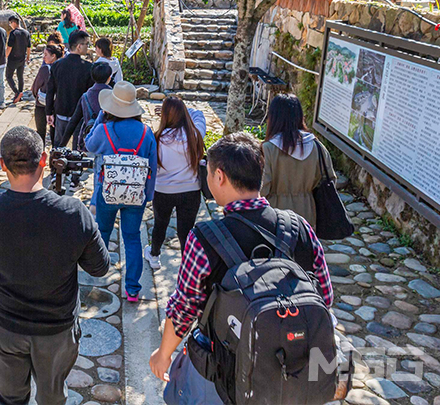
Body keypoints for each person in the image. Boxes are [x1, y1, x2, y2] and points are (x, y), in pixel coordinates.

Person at [149, 133, 333, 390]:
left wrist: (163, 354)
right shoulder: (298, 227)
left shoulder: (204, 238)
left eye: (209, 173)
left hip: (230, 370)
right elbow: (324, 295)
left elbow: (185, 307)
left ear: (220, 176)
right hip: (292, 367)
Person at [0, 126, 110, 405]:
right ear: (43, 159)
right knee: (52, 398)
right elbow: (99, 267)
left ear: (3, 164)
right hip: (56, 330)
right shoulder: (73, 213)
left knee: (7, 400)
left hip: (5, 325)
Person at [84, 82, 157, 301]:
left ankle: (99, 270)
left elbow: (89, 145)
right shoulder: (146, 133)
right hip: (136, 194)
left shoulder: (104, 129)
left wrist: (100, 118)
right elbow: (152, 168)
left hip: (107, 191)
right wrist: (149, 195)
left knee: (103, 231)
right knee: (132, 237)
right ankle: (133, 288)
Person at [144, 96, 207, 270]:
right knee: (186, 230)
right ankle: (187, 264)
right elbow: (199, 115)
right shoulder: (195, 134)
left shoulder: (157, 138)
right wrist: (184, 109)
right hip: (190, 190)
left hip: (163, 190)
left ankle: (154, 255)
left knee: (160, 224)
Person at [262, 93, 335, 230]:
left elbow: (263, 187)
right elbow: (329, 178)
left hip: (276, 215)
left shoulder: (268, 149)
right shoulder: (316, 146)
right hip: (308, 213)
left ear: (273, 117)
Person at [45, 29, 94, 147]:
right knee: (77, 147)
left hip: (60, 110)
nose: (87, 47)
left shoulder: (57, 65)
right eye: (86, 44)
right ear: (78, 46)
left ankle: (56, 164)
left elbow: (50, 90)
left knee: (59, 145)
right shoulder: (88, 67)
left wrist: (48, 112)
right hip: (79, 113)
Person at [58, 61, 113, 151]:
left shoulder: (86, 96)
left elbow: (74, 121)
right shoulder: (114, 95)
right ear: (109, 78)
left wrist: (61, 145)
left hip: (90, 140)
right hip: (110, 141)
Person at [31, 44, 63, 148]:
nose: (43, 57)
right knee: (55, 134)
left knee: (41, 132)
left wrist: (37, 96)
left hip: (42, 104)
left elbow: (35, 87)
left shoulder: (45, 69)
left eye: (46, 54)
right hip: (56, 104)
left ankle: (41, 156)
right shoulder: (62, 67)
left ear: (53, 56)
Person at [5, 15, 31, 104]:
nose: (10, 25)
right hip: (22, 58)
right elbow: (29, 47)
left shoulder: (13, 33)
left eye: (10, 23)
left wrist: (5, 56)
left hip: (13, 59)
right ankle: (20, 93)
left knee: (8, 76)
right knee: (20, 76)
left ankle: (16, 92)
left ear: (14, 23)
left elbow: (9, 47)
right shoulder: (26, 33)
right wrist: (28, 57)